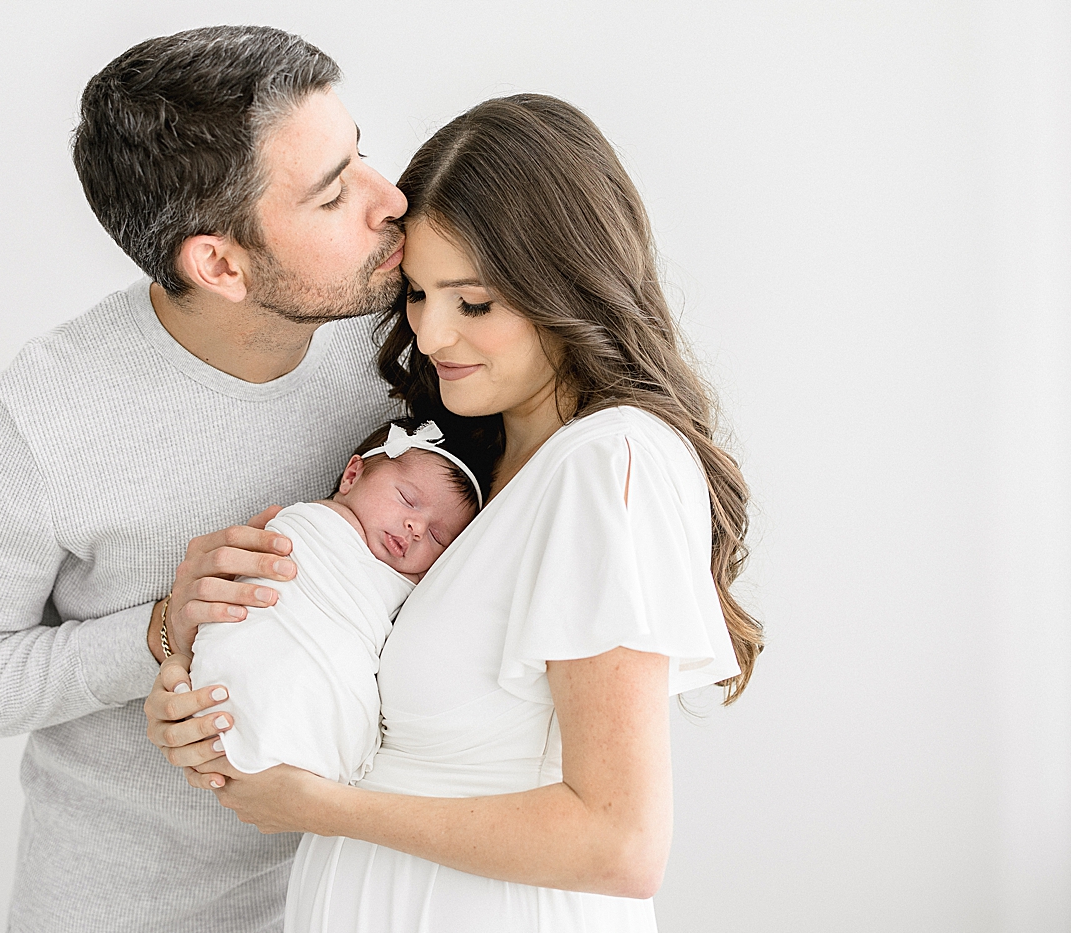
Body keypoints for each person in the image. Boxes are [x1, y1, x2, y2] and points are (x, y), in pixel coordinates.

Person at [146, 94, 765, 932]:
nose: (432, 337)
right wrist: (198, 682)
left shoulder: (607, 460)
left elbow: (620, 842)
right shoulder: (462, 475)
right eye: (417, 294)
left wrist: (319, 805)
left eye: (473, 304)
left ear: (566, 285)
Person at [0, 26, 410, 931]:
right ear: (220, 264)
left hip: (370, 892)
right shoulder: (44, 414)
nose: (390, 198)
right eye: (332, 195)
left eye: (361, 152)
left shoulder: (407, 333)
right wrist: (161, 630)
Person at [189, 417, 484, 784]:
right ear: (351, 476)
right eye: (407, 500)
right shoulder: (309, 526)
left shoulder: (409, 588)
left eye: (438, 537)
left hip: (330, 694)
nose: (417, 528)